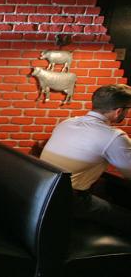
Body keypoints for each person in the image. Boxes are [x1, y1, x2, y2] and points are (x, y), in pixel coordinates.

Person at [40, 84, 131, 236]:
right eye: (128, 109)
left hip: (43, 191)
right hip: (68, 201)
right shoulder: (114, 136)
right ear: (119, 111)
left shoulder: (67, 122)